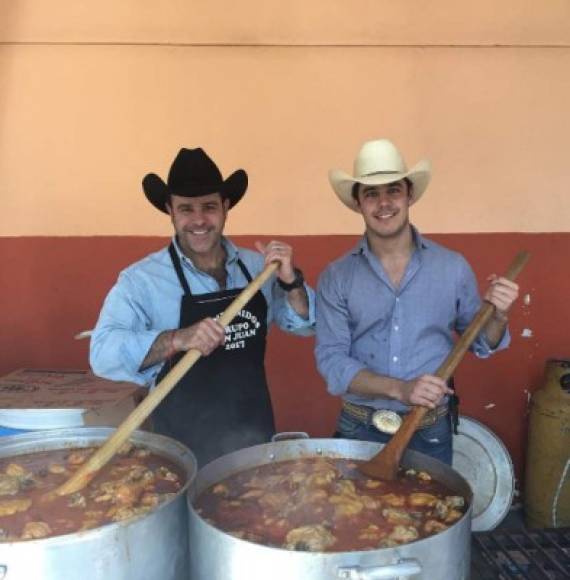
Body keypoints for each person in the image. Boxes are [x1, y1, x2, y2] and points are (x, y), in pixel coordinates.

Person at [90, 147, 315, 466]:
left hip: (253, 439)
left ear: (225, 207)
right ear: (170, 210)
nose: (199, 220)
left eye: (209, 207)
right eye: (186, 209)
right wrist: (177, 339)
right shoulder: (141, 281)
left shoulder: (258, 268)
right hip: (179, 452)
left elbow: (305, 325)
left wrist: (291, 282)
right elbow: (102, 354)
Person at [315, 138, 519, 464]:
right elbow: (332, 363)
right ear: (357, 203)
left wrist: (499, 316)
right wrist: (400, 389)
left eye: (393, 190)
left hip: (429, 428)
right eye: (371, 193)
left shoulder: (452, 267)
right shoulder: (336, 277)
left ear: (409, 194)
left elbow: (481, 343)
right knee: (356, 515)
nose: (384, 203)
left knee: (429, 515)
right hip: (359, 425)